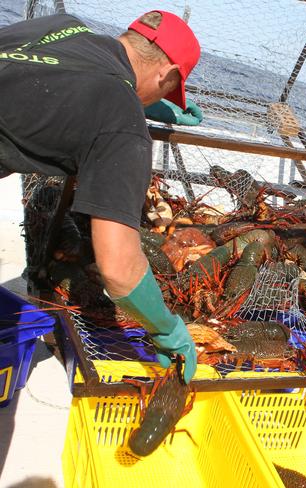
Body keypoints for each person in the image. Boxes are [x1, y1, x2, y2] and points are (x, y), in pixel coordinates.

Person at [0, 10, 202, 383]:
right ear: (167, 74)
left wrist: (134, 97)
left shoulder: (61, 26)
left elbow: (65, 77)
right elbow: (118, 268)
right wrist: (165, 328)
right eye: (169, 89)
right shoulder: (122, 125)